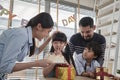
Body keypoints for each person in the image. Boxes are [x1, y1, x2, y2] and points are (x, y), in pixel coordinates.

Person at [0, 12, 54, 80]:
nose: (47, 35)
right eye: (48, 31)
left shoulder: (28, 38)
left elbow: (37, 51)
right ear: (39, 26)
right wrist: (36, 63)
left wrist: (49, 40)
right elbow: (4, 67)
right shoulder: (21, 35)